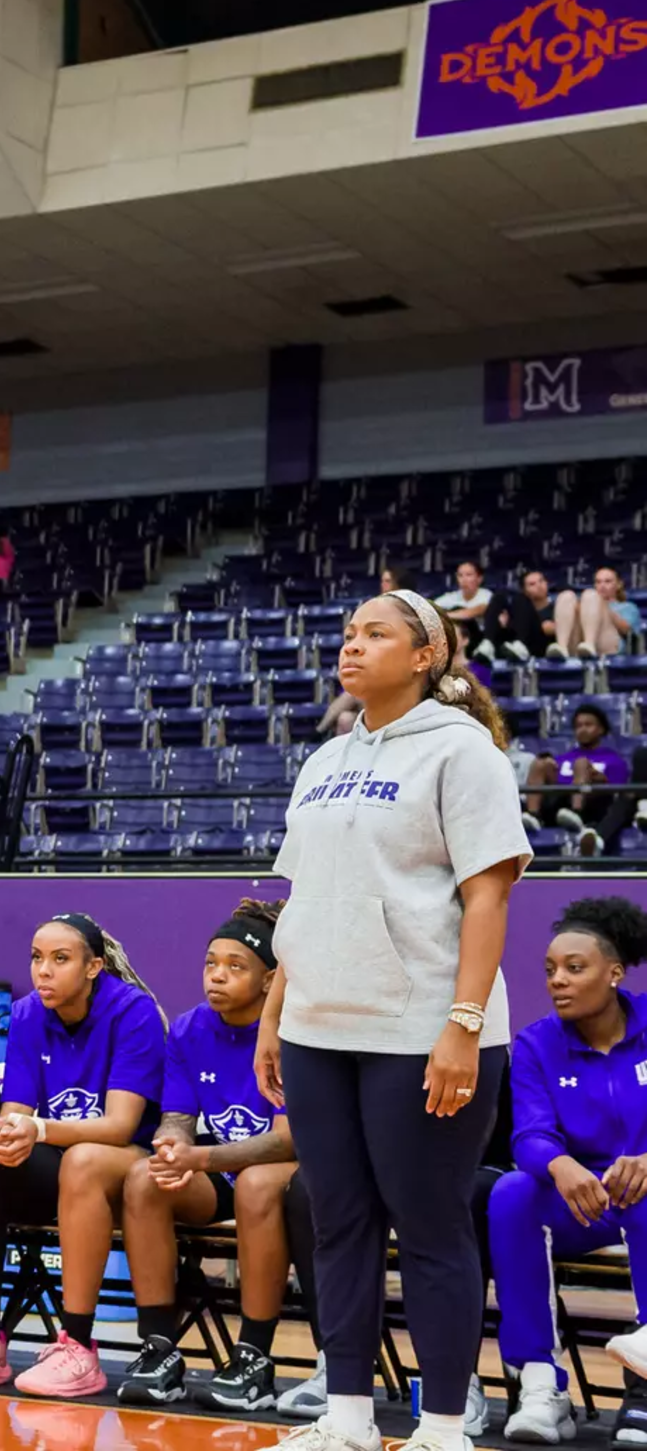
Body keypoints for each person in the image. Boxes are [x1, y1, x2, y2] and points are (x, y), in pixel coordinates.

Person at [257, 586, 529, 1451]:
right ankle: (345, 1417)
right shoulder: (325, 759)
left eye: (376, 633)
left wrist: (463, 1023)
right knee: (337, 1219)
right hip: (318, 1027)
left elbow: (488, 897)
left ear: (425, 655)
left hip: (422, 1030)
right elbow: (305, 899)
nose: (352, 645)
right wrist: (276, 1012)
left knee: (432, 1225)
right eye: (348, 632)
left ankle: (443, 1426)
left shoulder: (464, 752)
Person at [0, 912, 167, 1397]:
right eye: (36, 958)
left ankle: (79, 1347)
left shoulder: (134, 1011)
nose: (43, 970)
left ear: (93, 967)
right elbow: (16, 1111)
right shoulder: (26, 1014)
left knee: (84, 1159)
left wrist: (38, 1129)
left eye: (60, 959)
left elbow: (120, 1126)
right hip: (62, 1156)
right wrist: (8, 1134)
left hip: (128, 1160)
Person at [118, 900, 299, 1410]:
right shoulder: (188, 1028)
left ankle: (253, 1358)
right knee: (145, 1177)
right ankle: (158, 1350)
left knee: (256, 1184)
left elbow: (288, 1140)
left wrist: (201, 1159)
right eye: (210, 963)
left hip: (286, 1173)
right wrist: (172, 1145)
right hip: (220, 1170)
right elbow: (177, 1116)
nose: (216, 976)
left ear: (269, 980)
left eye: (235, 966)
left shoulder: (291, 1031)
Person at [488, 896, 647, 1444]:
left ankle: (644, 1386)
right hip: (582, 1199)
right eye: (551, 969)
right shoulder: (536, 1043)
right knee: (512, 1193)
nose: (558, 980)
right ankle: (541, 1387)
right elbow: (529, 1133)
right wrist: (560, 1165)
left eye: (574, 968)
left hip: (643, 1194)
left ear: (614, 973)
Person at [525, 701, 634, 858]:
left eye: (588, 725)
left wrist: (598, 778)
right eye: (578, 726)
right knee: (540, 764)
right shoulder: (564, 757)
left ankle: (576, 813)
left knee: (581, 764)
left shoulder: (613, 760)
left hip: (595, 805)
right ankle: (533, 815)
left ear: (601, 729)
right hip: (561, 802)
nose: (582, 729)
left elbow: (617, 794)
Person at [553, 565, 642, 659]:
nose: (602, 586)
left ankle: (589, 644)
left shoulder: (628, 607)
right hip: (577, 646)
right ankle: (562, 647)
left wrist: (604, 609)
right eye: (598, 582)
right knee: (566, 596)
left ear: (619, 584)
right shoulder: (586, 601)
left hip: (609, 647)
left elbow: (628, 631)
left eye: (607, 581)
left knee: (590, 595)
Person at [437, 561, 496, 631]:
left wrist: (446, 616)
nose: (464, 580)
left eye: (469, 575)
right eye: (460, 575)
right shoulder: (451, 596)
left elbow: (479, 610)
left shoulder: (486, 595)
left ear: (479, 578)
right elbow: (430, 608)